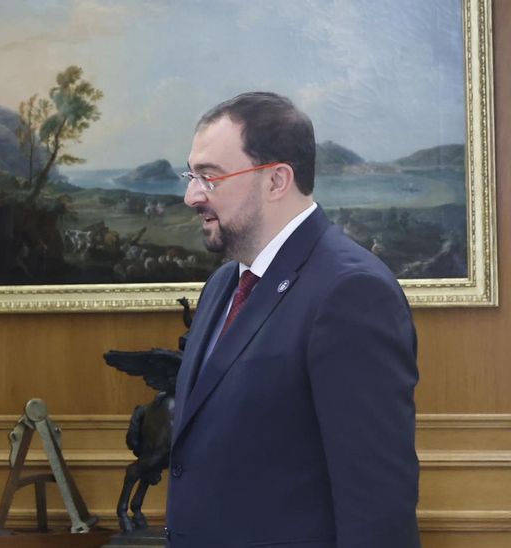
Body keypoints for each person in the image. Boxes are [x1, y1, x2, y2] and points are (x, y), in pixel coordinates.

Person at [165, 92, 420, 547]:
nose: (191, 195)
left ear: (277, 180)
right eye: (192, 175)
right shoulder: (222, 287)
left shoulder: (350, 293)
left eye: (210, 177)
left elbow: (378, 506)